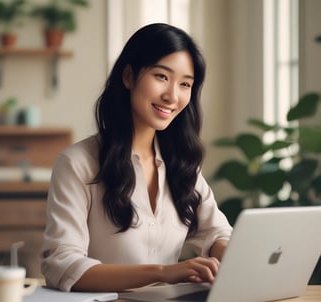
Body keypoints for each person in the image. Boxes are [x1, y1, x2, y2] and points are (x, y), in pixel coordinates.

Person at [41, 23, 232, 292]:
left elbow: (217, 233)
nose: (172, 96)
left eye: (185, 84)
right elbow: (61, 265)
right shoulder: (77, 164)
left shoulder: (182, 164)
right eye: (161, 77)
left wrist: (227, 257)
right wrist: (165, 273)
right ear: (128, 76)